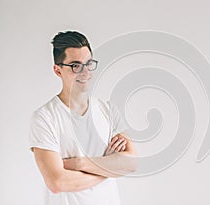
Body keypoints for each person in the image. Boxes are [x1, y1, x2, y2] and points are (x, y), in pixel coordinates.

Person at [29, 31, 136, 205]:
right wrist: (108, 167)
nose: (85, 72)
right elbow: (57, 182)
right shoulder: (44, 118)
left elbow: (130, 162)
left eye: (88, 63)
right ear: (58, 70)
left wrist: (79, 163)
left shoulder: (108, 111)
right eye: (75, 66)